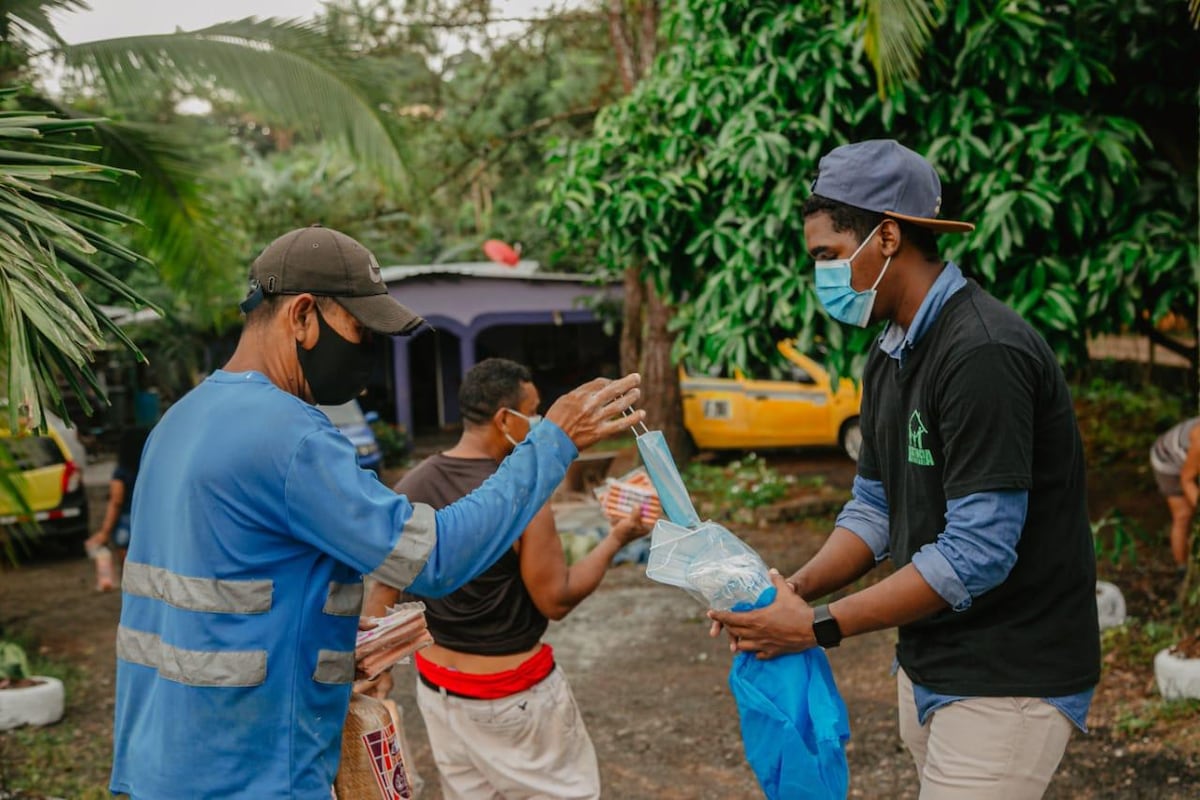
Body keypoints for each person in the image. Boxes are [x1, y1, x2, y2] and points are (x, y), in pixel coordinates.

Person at [108, 225, 644, 800]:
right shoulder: (289, 436)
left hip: (160, 764)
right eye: (360, 331)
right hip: (252, 774)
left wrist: (324, 632)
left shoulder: (178, 423)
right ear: (303, 316)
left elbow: (219, 587)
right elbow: (433, 557)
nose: (366, 353)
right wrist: (552, 442)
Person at [708, 140, 1100, 800]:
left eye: (828, 256)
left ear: (887, 236)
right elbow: (874, 508)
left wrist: (816, 626)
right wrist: (793, 590)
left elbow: (978, 552)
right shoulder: (889, 353)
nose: (821, 277)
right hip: (932, 664)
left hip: (1007, 675)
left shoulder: (982, 351)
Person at [358, 357, 651, 800]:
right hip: (513, 699)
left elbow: (384, 587)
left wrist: (374, 671)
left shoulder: (410, 487)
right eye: (533, 412)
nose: (537, 422)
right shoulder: (518, 494)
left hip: (438, 691)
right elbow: (556, 599)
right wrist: (618, 538)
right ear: (504, 419)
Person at [84, 426, 150, 589]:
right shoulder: (151, 470)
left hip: (126, 524)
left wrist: (105, 531)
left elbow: (116, 501)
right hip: (148, 521)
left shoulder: (121, 473)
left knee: (131, 571)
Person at [1150, 416, 1200, 569]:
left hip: (1190, 457)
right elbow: (1187, 480)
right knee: (1183, 515)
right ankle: (1182, 567)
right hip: (1168, 461)